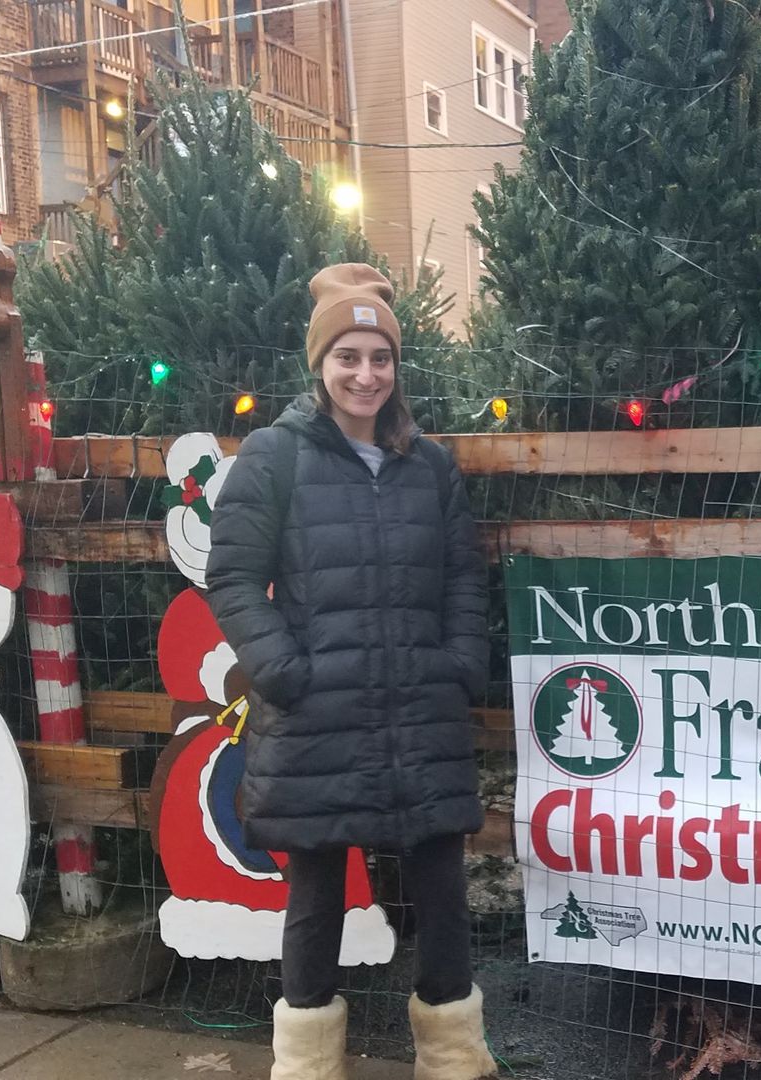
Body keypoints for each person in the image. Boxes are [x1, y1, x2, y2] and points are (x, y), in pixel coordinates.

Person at [206, 263, 497, 1080]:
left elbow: (462, 577)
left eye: (380, 357)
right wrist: (284, 671)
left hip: (421, 710)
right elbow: (231, 578)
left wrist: (458, 667)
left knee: (440, 894)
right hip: (317, 714)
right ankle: (307, 1067)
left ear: (396, 367)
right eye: (348, 357)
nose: (365, 374)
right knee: (316, 900)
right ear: (319, 365)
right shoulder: (274, 457)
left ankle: (452, 1059)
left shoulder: (429, 467)